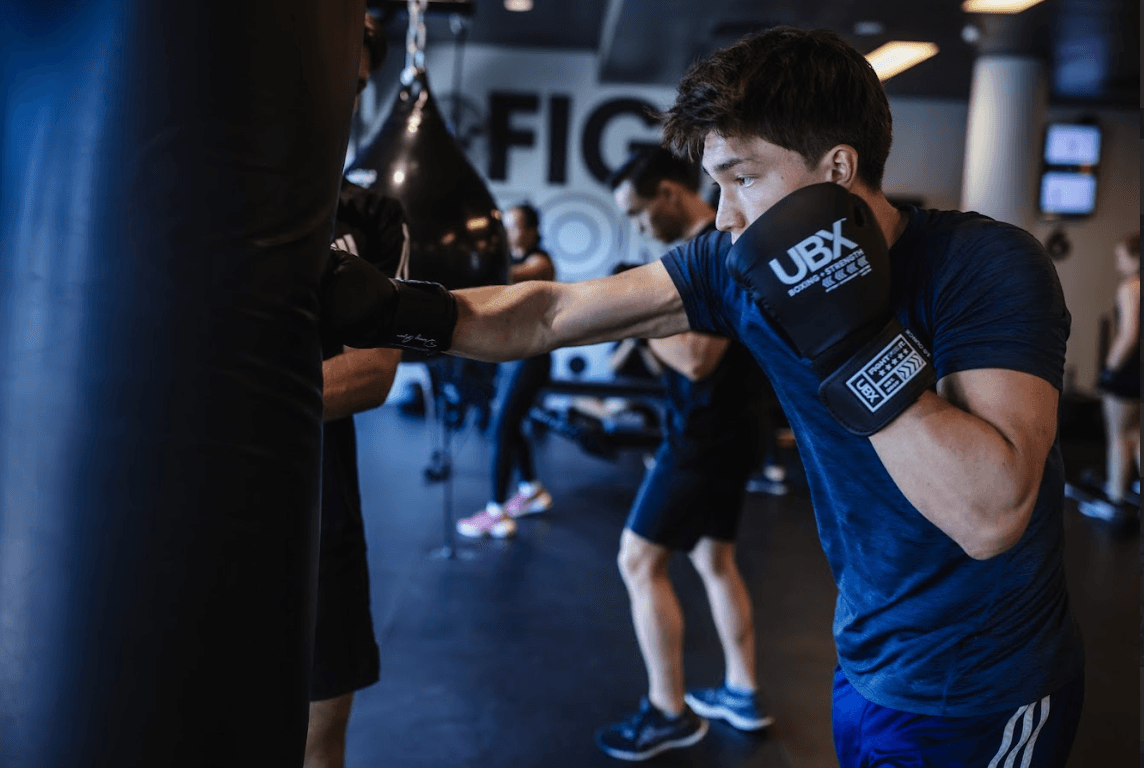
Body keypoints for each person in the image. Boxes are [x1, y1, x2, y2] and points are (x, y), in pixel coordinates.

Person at [325, 26, 1085, 766]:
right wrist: (398, 311)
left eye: (742, 178)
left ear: (837, 168)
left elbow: (989, 517)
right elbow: (551, 313)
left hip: (986, 687)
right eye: (716, 185)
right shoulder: (731, 264)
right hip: (866, 657)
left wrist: (845, 333)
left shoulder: (982, 265)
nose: (724, 216)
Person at [587, 147, 774, 761]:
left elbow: (697, 358)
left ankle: (668, 713)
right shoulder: (705, 247)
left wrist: (632, 317)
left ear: (669, 193)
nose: (640, 226)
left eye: (640, 212)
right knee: (714, 560)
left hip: (706, 435)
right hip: (724, 430)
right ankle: (742, 692)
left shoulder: (715, 249)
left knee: (638, 560)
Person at [304, 13, 401, 768]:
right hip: (186, 514)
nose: (344, 97)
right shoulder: (201, 194)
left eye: (357, 83)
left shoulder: (371, 216)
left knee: (318, 734)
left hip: (320, 513)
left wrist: (218, 401)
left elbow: (371, 373)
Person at [456, 203, 556, 538]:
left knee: (501, 429)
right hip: (513, 356)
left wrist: (471, 262)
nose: (507, 232)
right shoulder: (510, 259)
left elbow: (513, 274)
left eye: (514, 226)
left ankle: (496, 512)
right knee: (510, 426)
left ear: (532, 231)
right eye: (506, 226)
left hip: (532, 359)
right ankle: (531, 489)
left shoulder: (541, 261)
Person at [1079, 231, 1140, 521]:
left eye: (1121, 257)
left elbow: (1129, 335)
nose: (1118, 263)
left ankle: (1115, 500)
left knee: (1118, 436)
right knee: (1137, 433)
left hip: (1127, 371)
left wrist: (1108, 371)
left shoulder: (1131, 287)